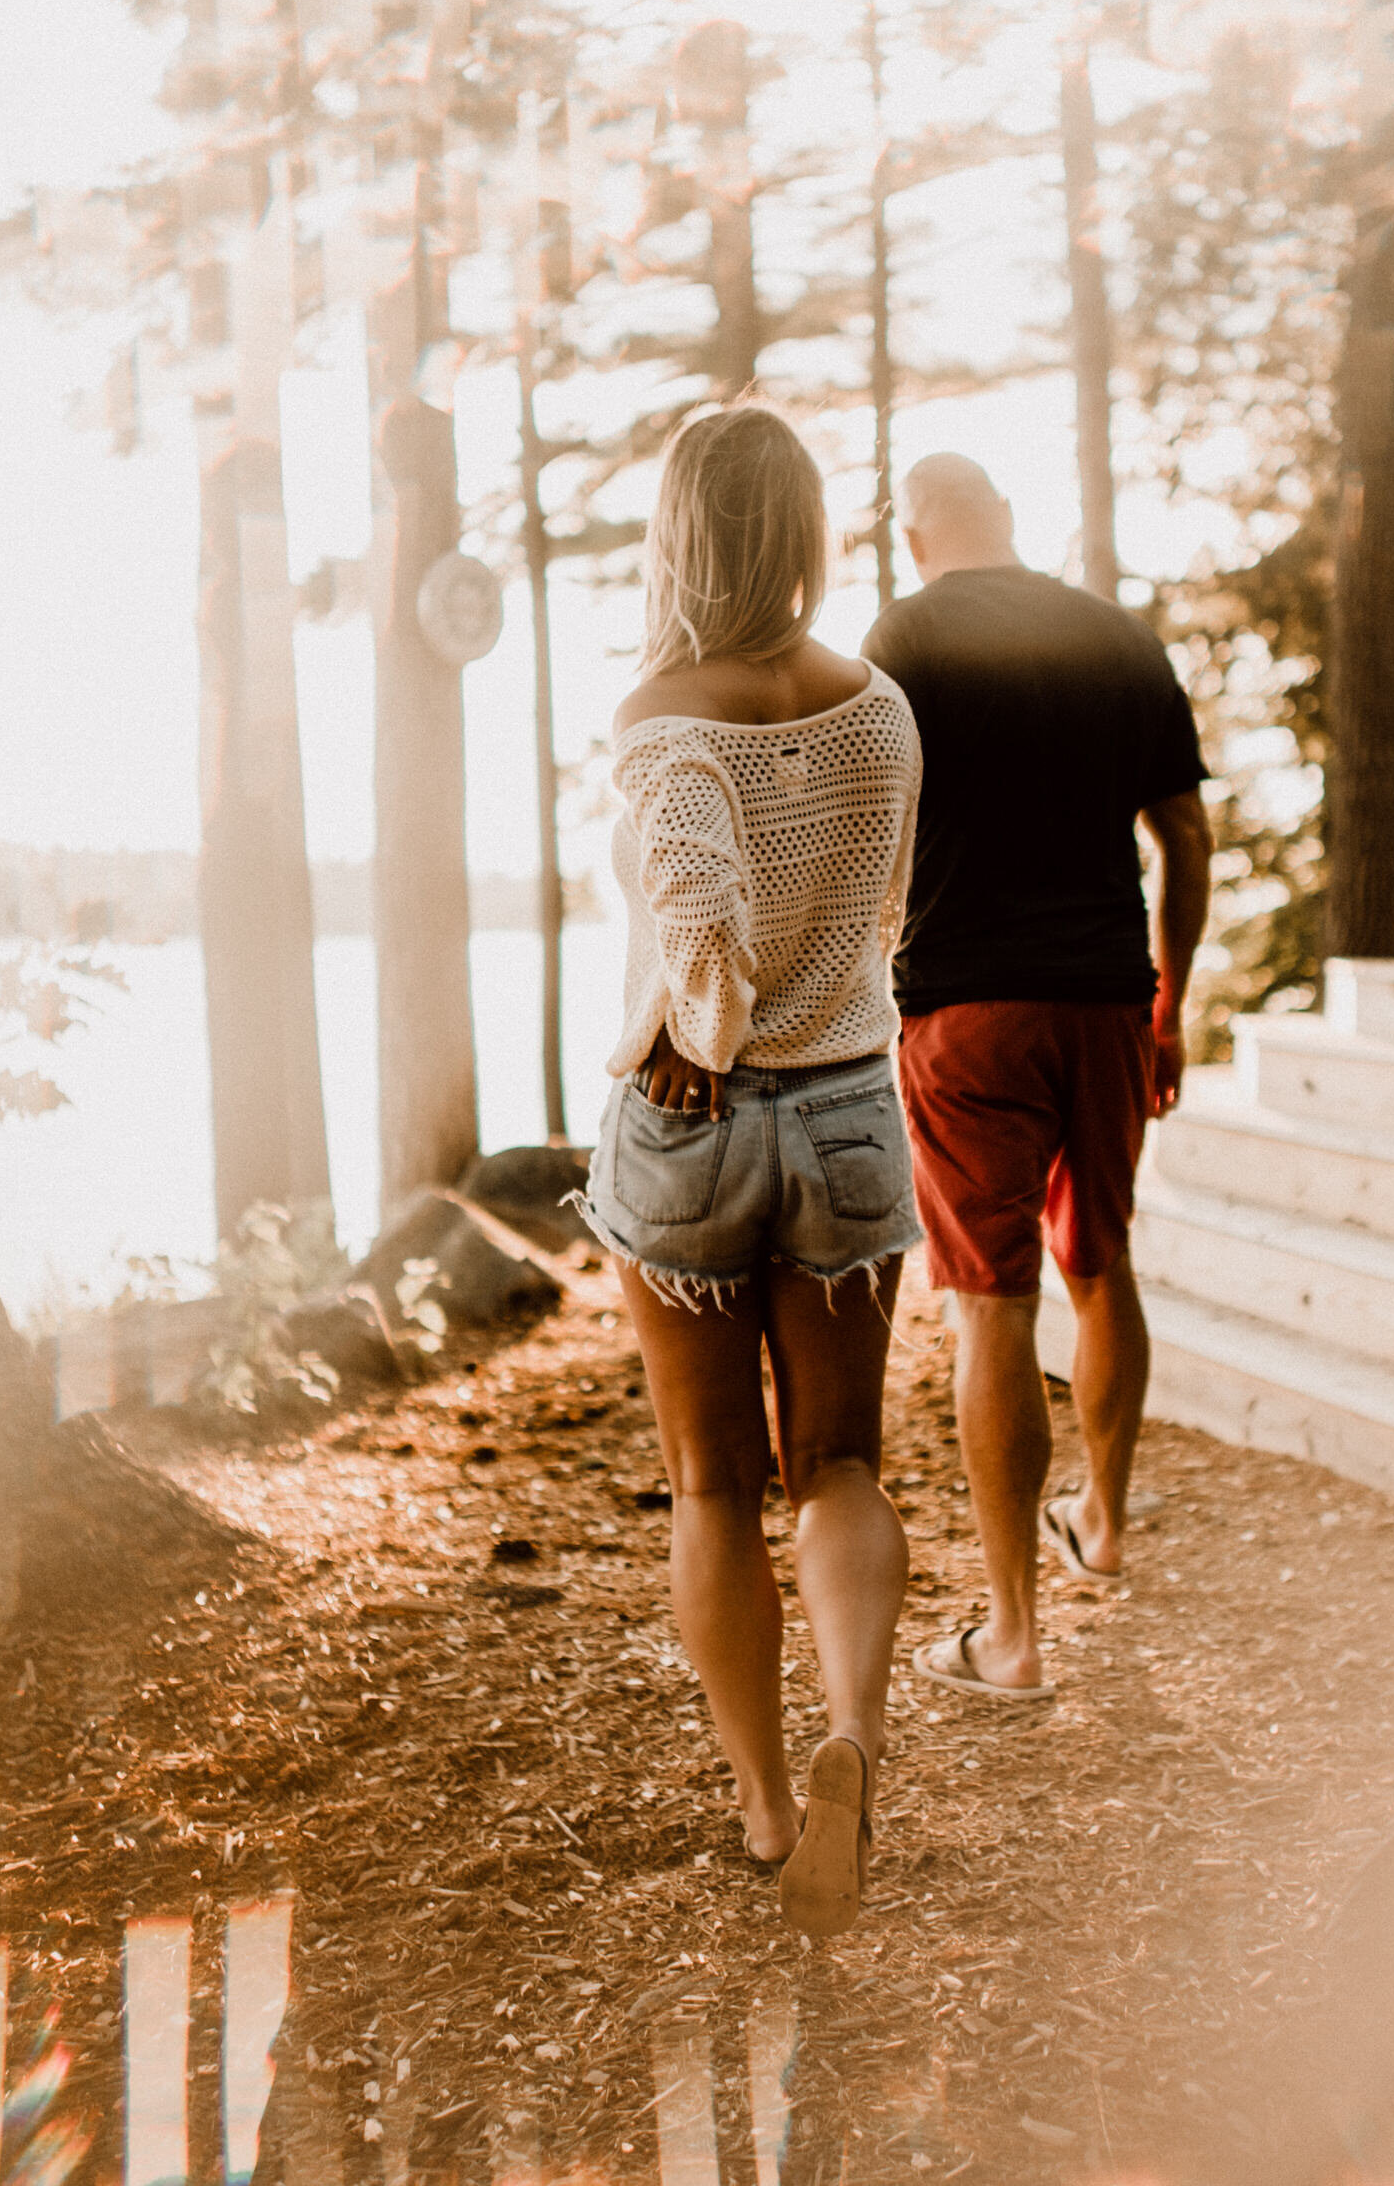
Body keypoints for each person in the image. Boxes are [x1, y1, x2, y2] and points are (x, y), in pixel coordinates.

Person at [580, 402, 923, 1936]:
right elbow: (880, 909)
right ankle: (852, 1735)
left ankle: (774, 1814)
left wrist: (693, 1033)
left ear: (683, 530)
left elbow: (698, 917)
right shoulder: (878, 707)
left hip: (700, 1123)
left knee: (713, 1483)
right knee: (838, 1464)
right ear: (803, 529)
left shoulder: (665, 713)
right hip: (853, 1106)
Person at [862, 454, 1212, 1704]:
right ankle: (1103, 1525)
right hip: (1110, 994)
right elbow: (1183, 832)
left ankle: (1013, 1638)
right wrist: (1169, 997)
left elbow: (867, 828)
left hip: (964, 1009)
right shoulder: (1113, 635)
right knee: (1102, 1262)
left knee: (990, 1307)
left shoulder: (900, 636)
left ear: (913, 538)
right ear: (1007, 521)